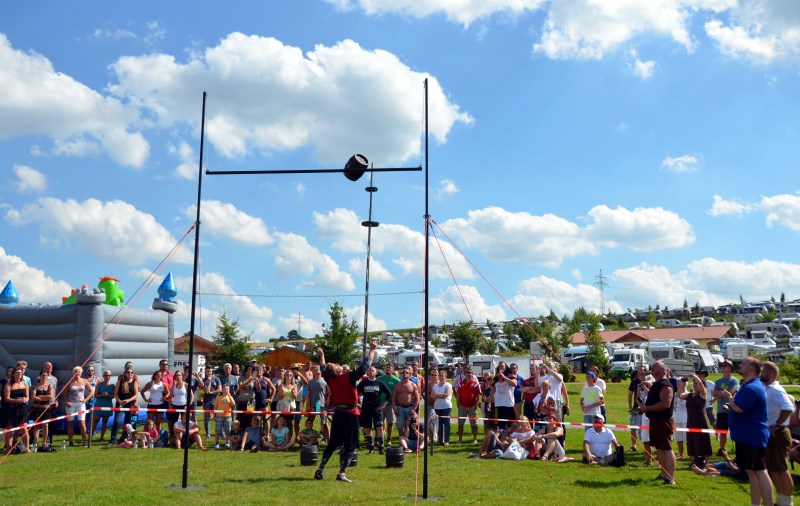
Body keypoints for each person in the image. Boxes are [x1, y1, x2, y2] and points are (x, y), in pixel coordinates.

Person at [314, 341, 377, 483]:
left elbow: (323, 367)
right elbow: (366, 364)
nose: (337, 364)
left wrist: (322, 355)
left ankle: (320, 469)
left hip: (339, 414)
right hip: (351, 414)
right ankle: (341, 473)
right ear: (337, 370)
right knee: (351, 444)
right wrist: (372, 349)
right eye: (336, 365)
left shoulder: (330, 379)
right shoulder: (348, 377)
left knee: (332, 444)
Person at [720, 356, 773, 506]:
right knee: (751, 471)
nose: (740, 366)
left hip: (753, 436)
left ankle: (768, 503)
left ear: (751, 368)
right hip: (746, 436)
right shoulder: (749, 385)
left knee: (760, 471)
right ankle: (755, 504)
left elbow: (739, 408)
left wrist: (729, 399)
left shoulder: (752, 387)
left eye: (743, 364)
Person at [760, 361, 794, 506]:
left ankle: (787, 502)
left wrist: (778, 424)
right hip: (770, 433)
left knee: (781, 468)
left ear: (771, 374)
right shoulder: (767, 388)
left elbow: (788, 407)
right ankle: (781, 501)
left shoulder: (776, 390)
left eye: (763, 372)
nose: (760, 374)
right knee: (774, 468)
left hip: (778, 433)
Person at [637, 360, 676, 485]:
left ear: (663, 370)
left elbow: (665, 404)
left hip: (663, 420)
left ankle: (670, 477)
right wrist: (644, 407)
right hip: (654, 420)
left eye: (655, 367)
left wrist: (647, 408)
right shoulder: (656, 384)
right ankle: (664, 473)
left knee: (667, 448)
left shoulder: (666, 385)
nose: (652, 369)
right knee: (659, 448)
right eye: (652, 368)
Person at [678, 374, 712, 469]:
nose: (695, 385)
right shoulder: (689, 395)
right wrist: (681, 386)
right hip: (691, 421)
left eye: (697, 383)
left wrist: (693, 375)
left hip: (701, 421)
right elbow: (678, 395)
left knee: (704, 441)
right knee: (692, 441)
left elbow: (701, 383)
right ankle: (694, 462)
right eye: (694, 383)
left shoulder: (703, 394)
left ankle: (705, 463)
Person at [357, 365, 391, 454]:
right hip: (366, 408)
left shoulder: (380, 383)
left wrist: (384, 404)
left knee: (379, 428)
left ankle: (381, 448)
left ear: (376, 373)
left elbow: (389, 394)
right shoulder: (363, 383)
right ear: (367, 373)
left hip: (377, 408)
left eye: (373, 370)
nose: (371, 372)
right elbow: (356, 393)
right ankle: (371, 448)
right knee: (367, 428)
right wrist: (358, 404)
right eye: (370, 370)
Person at [713, 360, 739, 456]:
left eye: (725, 365)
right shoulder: (718, 380)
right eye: (721, 365)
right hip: (721, 410)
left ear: (730, 368)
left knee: (734, 431)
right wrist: (723, 393)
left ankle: (738, 448)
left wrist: (720, 393)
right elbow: (714, 393)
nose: (722, 367)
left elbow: (731, 392)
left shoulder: (734, 380)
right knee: (722, 431)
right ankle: (722, 449)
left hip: (731, 410)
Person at [65, 366, 94, 447]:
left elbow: (91, 391)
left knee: (82, 422)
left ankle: (85, 441)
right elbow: (63, 395)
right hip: (71, 404)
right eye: (76, 372)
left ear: (81, 373)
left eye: (79, 372)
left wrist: (86, 400)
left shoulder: (84, 381)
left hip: (81, 404)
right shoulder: (70, 382)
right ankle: (70, 441)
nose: (77, 373)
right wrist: (66, 402)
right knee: (70, 423)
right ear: (73, 373)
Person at [109, 366, 139, 445]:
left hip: (130, 404)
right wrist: (120, 401)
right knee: (116, 421)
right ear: (125, 373)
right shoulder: (120, 381)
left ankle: (124, 439)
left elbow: (136, 395)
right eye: (128, 372)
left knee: (128, 423)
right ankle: (113, 440)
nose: (130, 374)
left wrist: (128, 400)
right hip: (120, 404)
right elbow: (115, 394)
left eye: (131, 372)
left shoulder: (135, 382)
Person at [4, 367, 31, 453]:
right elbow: (7, 398)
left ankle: (27, 448)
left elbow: (27, 397)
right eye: (17, 373)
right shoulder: (9, 385)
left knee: (24, 428)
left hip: (23, 408)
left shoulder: (25, 384)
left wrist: (25, 400)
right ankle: (9, 448)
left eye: (20, 373)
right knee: (10, 428)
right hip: (12, 408)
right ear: (13, 374)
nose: (19, 374)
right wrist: (17, 400)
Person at [455, 366, 482, 444]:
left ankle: (475, 439)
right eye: (466, 372)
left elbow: (478, 395)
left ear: (472, 373)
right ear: (464, 373)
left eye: (469, 372)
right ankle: (460, 439)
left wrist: (476, 405)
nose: (468, 374)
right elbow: (458, 395)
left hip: (472, 407)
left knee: (474, 424)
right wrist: (458, 404)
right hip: (462, 406)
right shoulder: (460, 383)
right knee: (460, 424)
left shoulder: (476, 383)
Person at [392, 366, 421, 438]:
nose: (405, 374)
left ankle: (407, 440)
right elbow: (393, 398)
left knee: (410, 425)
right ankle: (401, 442)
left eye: (407, 372)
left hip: (410, 408)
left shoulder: (413, 385)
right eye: (403, 372)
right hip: (400, 408)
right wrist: (395, 408)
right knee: (400, 426)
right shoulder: (397, 385)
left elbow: (417, 398)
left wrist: (414, 409)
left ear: (410, 374)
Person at [29, 370, 54, 451]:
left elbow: (50, 396)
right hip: (36, 407)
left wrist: (40, 396)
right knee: (36, 425)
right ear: (40, 376)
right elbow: (33, 396)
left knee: (45, 425)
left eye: (46, 376)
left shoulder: (49, 385)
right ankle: (35, 442)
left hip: (46, 408)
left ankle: (44, 443)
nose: (45, 377)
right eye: (43, 375)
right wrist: (43, 397)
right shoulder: (36, 385)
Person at [376, 363, 400, 444]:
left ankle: (389, 439)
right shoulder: (379, 379)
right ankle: (378, 439)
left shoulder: (395, 380)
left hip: (390, 404)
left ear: (392, 370)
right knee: (379, 423)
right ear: (384, 369)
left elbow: (401, 387)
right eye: (387, 367)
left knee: (390, 423)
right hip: (380, 404)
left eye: (390, 368)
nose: (388, 369)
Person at [306, 365, 330, 443]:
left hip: (322, 405)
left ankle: (328, 439)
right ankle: (308, 439)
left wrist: (327, 400)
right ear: (313, 372)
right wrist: (308, 405)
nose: (316, 371)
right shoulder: (310, 382)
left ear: (320, 371)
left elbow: (329, 393)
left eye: (318, 369)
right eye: (315, 369)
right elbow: (308, 395)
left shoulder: (325, 381)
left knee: (324, 422)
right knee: (309, 421)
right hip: (313, 405)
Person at [168, 370, 193, 444]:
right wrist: (170, 405)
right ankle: (173, 438)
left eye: (179, 375)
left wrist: (188, 406)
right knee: (174, 422)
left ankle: (186, 438)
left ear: (182, 376)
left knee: (185, 422)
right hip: (175, 406)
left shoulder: (186, 385)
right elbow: (170, 397)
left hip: (184, 406)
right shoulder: (174, 385)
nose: (178, 377)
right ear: (175, 377)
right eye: (177, 375)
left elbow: (192, 396)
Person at [431, 370, 453, 446]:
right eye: (439, 375)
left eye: (442, 376)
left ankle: (447, 440)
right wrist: (439, 395)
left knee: (446, 424)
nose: (440, 377)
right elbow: (432, 396)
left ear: (445, 377)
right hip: (437, 407)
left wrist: (437, 395)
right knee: (439, 424)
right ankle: (440, 440)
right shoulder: (435, 386)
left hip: (446, 407)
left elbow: (446, 395)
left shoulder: (448, 385)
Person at [627, 366, 646, 452]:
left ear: (646, 371)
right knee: (633, 427)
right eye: (639, 370)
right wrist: (630, 407)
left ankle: (648, 447)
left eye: (642, 370)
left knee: (645, 428)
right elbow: (630, 395)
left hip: (647, 409)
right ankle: (633, 446)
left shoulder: (650, 381)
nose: (640, 372)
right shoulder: (634, 382)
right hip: (635, 408)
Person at [94, 370, 115, 442]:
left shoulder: (112, 386)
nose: (107, 377)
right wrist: (101, 395)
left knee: (105, 421)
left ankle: (102, 437)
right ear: (103, 376)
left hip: (107, 404)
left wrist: (108, 395)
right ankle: (89, 436)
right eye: (106, 375)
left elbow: (113, 396)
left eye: (109, 375)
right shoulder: (99, 384)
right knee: (95, 420)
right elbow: (95, 395)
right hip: (99, 404)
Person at [201, 364, 221, 439]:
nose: (209, 373)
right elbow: (206, 391)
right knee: (207, 418)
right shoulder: (203, 380)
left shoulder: (216, 379)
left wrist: (212, 392)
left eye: (210, 371)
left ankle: (221, 433)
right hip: (207, 402)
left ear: (212, 371)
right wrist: (209, 381)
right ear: (205, 372)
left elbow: (220, 389)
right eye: (207, 371)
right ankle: (208, 434)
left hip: (215, 401)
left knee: (218, 418)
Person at [213, 384, 235, 449]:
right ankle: (217, 443)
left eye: (227, 389)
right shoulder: (218, 398)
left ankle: (227, 443)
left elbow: (233, 404)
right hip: (219, 416)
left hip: (228, 416)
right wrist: (214, 415)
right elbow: (215, 407)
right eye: (224, 389)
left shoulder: (230, 397)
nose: (226, 390)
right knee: (218, 431)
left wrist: (230, 396)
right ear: (222, 390)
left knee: (228, 431)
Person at [673, 377, 688, 460]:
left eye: (680, 382)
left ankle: (690, 454)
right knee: (678, 437)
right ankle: (680, 454)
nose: (678, 383)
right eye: (677, 382)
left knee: (687, 437)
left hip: (685, 418)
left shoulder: (688, 394)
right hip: (676, 418)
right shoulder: (674, 394)